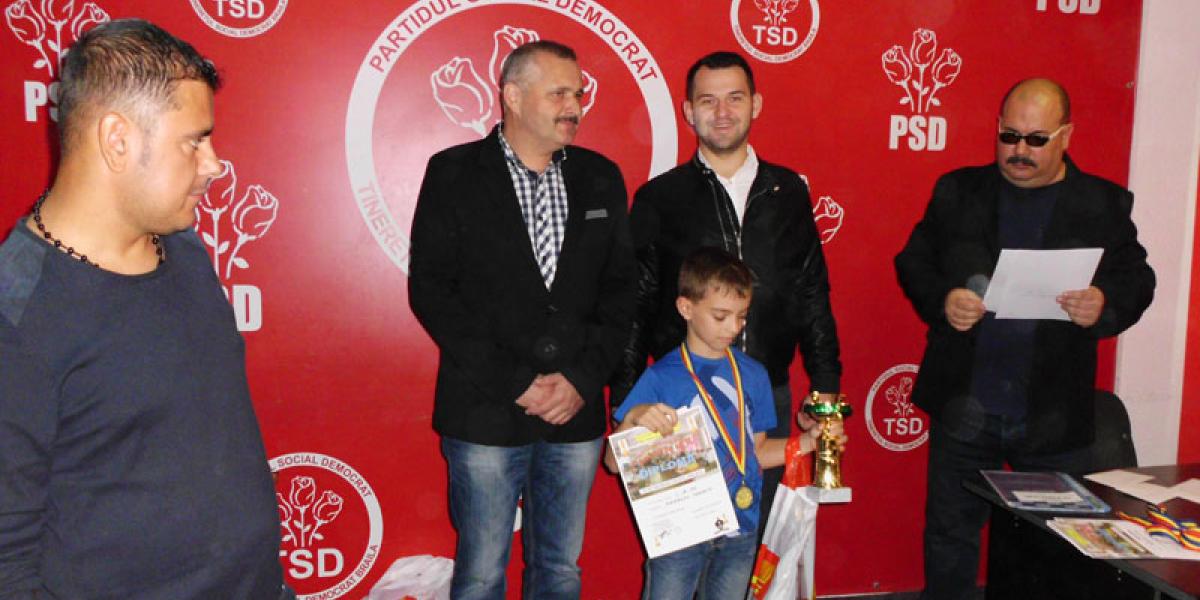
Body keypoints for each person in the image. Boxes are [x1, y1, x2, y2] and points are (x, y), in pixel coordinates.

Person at [0, 19, 289, 599]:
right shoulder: (18, 313)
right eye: (194, 141)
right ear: (117, 139)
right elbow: (7, 556)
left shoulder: (183, 247)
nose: (213, 164)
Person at [895, 78, 1155, 600]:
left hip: (1052, 412)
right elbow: (913, 261)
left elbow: (1137, 279)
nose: (1019, 150)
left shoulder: (1101, 203)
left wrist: (1103, 302)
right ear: (997, 128)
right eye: (1009, 136)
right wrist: (944, 299)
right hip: (965, 406)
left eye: (1036, 140)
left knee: (1053, 549)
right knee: (949, 540)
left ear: (1066, 136)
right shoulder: (959, 191)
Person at [408, 40, 634, 600]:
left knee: (560, 570)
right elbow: (432, 292)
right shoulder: (453, 173)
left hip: (575, 414)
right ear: (512, 96)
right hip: (484, 412)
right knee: (482, 573)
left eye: (578, 94)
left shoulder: (602, 177)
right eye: (558, 93)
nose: (574, 106)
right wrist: (516, 383)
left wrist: (581, 380)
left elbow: (621, 293)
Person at [613, 51, 842, 539]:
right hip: (681, 404)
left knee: (756, 548)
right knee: (682, 550)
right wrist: (628, 405)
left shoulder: (788, 192)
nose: (722, 112)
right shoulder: (660, 198)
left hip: (765, 395)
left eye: (734, 98)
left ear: (755, 104)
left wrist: (826, 386)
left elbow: (812, 291)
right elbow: (635, 306)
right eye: (708, 101)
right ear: (688, 111)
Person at [612, 247, 842, 599]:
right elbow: (614, 464)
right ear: (686, 308)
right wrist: (633, 418)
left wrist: (810, 441)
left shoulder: (754, 374)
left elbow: (757, 452)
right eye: (720, 316)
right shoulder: (660, 378)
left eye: (742, 316)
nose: (733, 327)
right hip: (679, 533)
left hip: (740, 525)